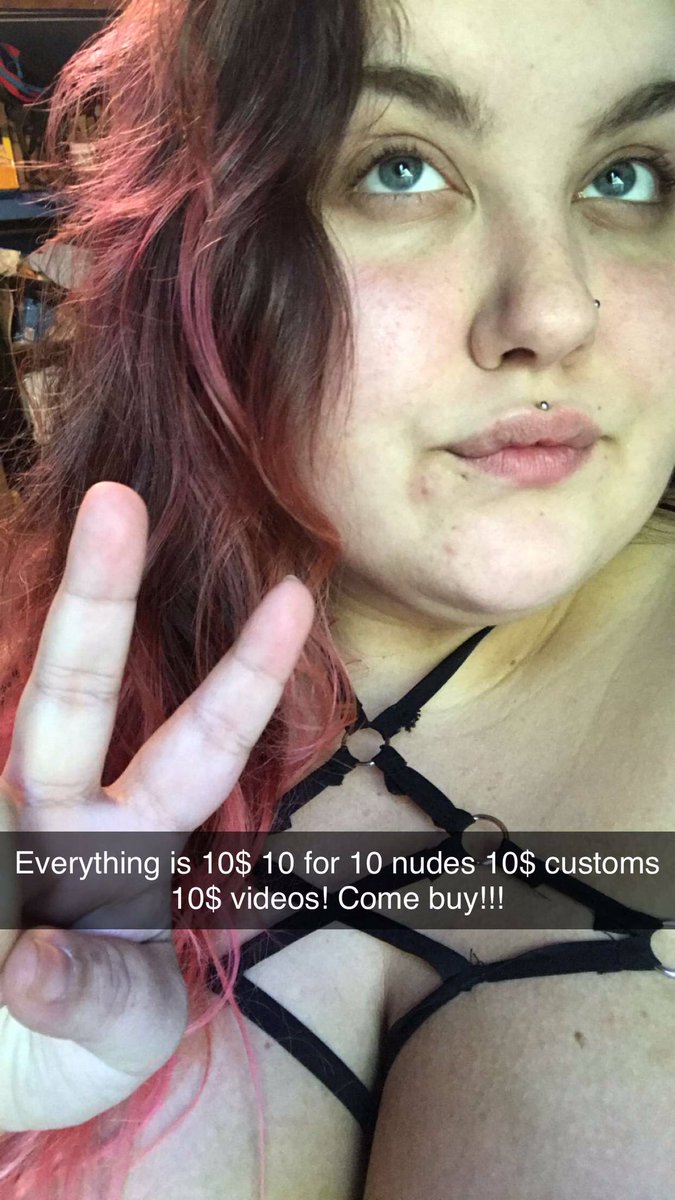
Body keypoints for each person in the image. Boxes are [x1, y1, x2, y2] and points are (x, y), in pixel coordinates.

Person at [1, 0, 674, 1196]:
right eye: (400, 166)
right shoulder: (32, 708)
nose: (554, 311)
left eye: (628, 176)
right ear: (200, 244)